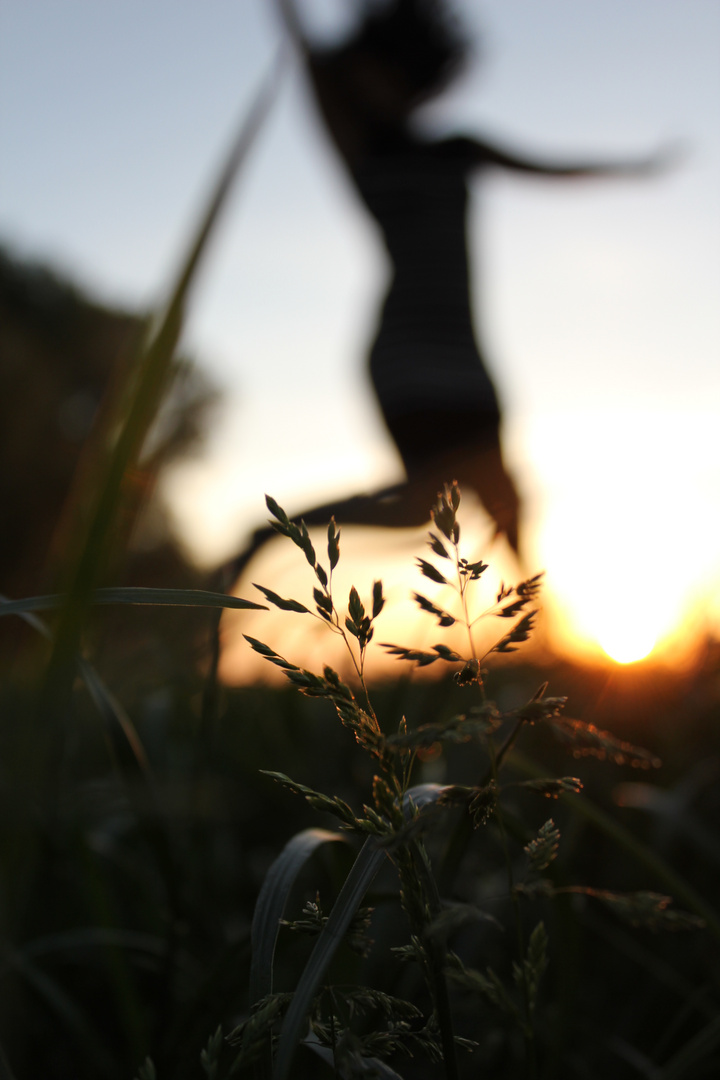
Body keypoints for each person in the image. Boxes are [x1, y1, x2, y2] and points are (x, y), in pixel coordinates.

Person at [232, 0, 672, 575]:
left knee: (506, 493)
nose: (377, 87)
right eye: (364, 75)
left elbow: (548, 168)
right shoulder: (360, 151)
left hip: (465, 347)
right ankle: (273, 531)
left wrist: (632, 169)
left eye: (390, 73)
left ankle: (539, 630)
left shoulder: (459, 149)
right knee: (423, 505)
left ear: (417, 76)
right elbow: (311, 59)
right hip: (407, 351)